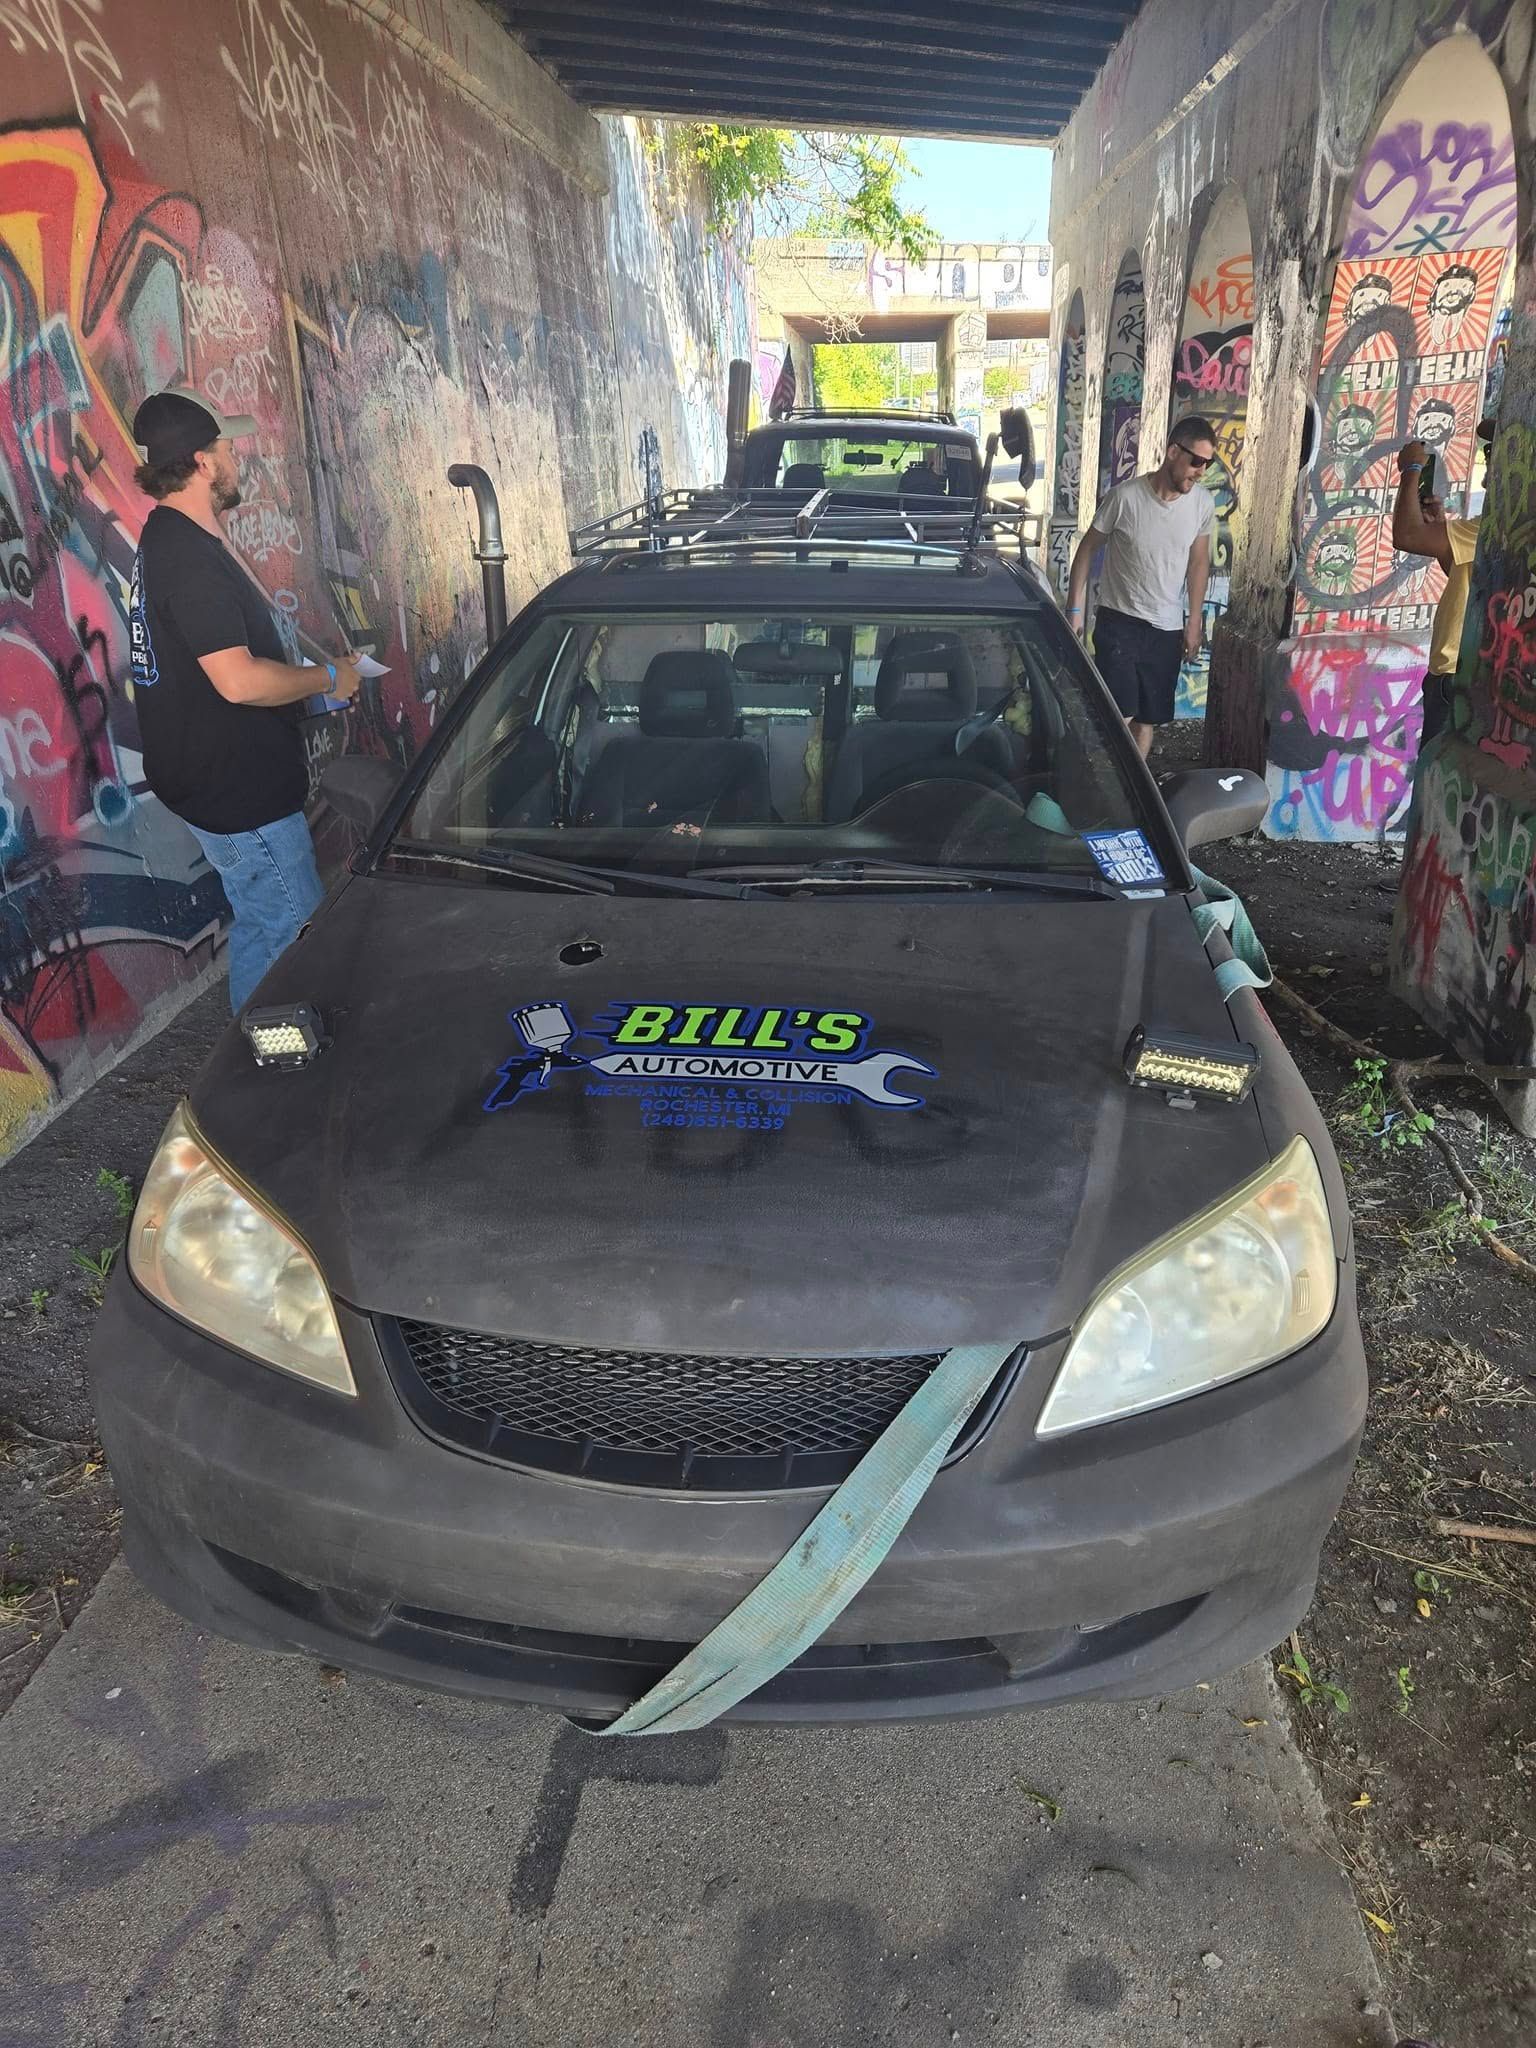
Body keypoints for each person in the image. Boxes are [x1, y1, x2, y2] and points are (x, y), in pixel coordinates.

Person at [128, 385, 362, 1011]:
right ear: (203, 463)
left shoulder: (167, 539)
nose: (236, 458)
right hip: (239, 797)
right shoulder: (188, 558)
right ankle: (277, 1085)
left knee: (263, 926)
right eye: (227, 446)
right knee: (295, 935)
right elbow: (238, 680)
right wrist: (327, 680)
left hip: (217, 784)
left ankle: (246, 1056)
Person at [1065, 416, 1216, 757]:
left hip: (1166, 628)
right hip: (1120, 621)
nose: (1201, 471)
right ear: (1173, 452)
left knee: (1145, 721)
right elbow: (1087, 549)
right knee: (1119, 714)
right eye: (1196, 461)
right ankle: (1096, 781)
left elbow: (1198, 563)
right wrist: (1075, 610)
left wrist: (1193, 622)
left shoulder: (1202, 504)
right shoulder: (1125, 498)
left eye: (1208, 464)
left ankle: (1134, 797)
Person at [1390, 419, 1493, 749]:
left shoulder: (1486, 528)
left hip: (1454, 679)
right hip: (1461, 678)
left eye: (1493, 450)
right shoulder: (1501, 525)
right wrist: (1441, 532)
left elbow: (1406, 535)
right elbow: (1473, 582)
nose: (1488, 457)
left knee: (1436, 781)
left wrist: (1412, 469)